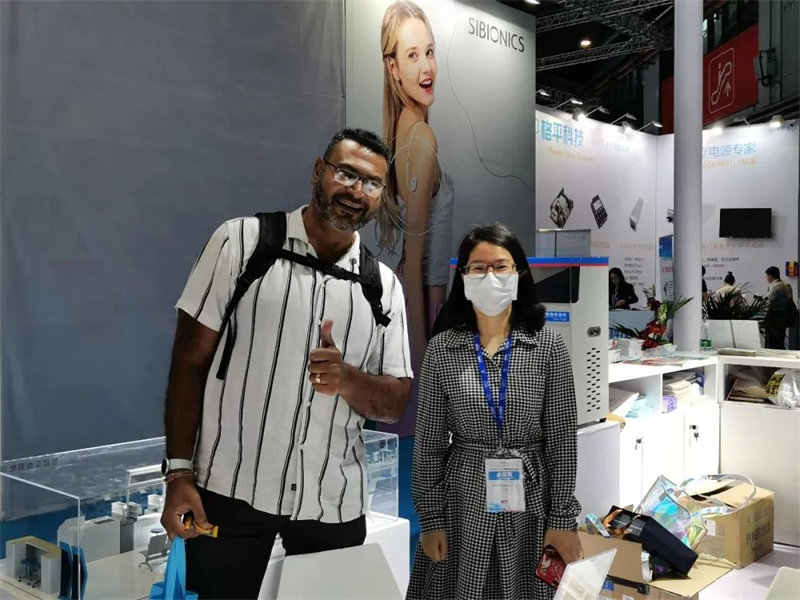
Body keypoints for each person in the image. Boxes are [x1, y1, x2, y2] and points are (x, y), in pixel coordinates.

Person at [161, 128, 413, 599]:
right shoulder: (241, 243)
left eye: (372, 183)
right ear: (319, 171)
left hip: (332, 502)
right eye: (346, 174)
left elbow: (395, 402)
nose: (356, 191)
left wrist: (347, 380)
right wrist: (178, 473)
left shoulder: (383, 288)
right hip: (230, 492)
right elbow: (189, 362)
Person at [408, 223, 582, 599]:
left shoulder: (548, 346)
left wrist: (562, 518)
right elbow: (429, 446)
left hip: (532, 500)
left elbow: (562, 442)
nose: (490, 276)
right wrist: (431, 519)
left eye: (501, 266)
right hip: (463, 499)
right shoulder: (442, 350)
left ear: (519, 273)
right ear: (464, 277)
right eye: (478, 268)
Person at [378, 0, 454, 369]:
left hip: (418, 308)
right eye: (412, 56)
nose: (427, 68)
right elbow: (413, 262)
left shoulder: (400, 133)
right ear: (393, 68)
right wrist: (421, 359)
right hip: (425, 311)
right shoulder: (421, 138)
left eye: (429, 52)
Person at [764, 266, 789, 349]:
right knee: (779, 342)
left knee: (771, 342)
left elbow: (770, 304)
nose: (766, 278)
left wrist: (765, 317)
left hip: (774, 318)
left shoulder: (774, 286)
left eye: (767, 276)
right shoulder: (783, 285)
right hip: (782, 316)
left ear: (770, 276)